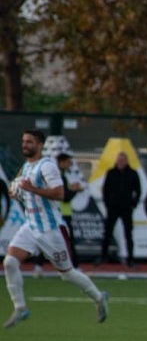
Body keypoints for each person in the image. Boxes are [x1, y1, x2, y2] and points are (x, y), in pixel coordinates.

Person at [4, 129, 109, 328]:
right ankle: (20, 307)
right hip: (31, 225)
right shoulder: (26, 167)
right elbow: (22, 190)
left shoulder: (47, 166)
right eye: (24, 141)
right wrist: (17, 193)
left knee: (67, 274)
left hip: (50, 228)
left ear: (40, 145)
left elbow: (60, 194)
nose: (25, 145)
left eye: (30, 142)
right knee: (9, 262)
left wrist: (31, 189)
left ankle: (98, 297)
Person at [98, 151, 141, 267]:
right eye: (119, 160)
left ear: (127, 161)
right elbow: (105, 189)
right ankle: (103, 256)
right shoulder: (111, 173)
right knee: (107, 232)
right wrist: (108, 204)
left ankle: (130, 258)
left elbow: (138, 190)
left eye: (123, 160)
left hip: (126, 208)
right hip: (113, 207)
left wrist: (133, 203)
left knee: (128, 234)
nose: (121, 162)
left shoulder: (133, 173)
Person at [57, 152, 84, 267]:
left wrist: (71, 189)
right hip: (62, 214)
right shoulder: (60, 177)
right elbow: (65, 197)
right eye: (68, 162)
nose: (70, 165)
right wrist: (75, 190)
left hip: (62, 213)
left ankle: (39, 265)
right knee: (68, 240)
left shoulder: (62, 176)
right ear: (61, 162)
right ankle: (75, 265)